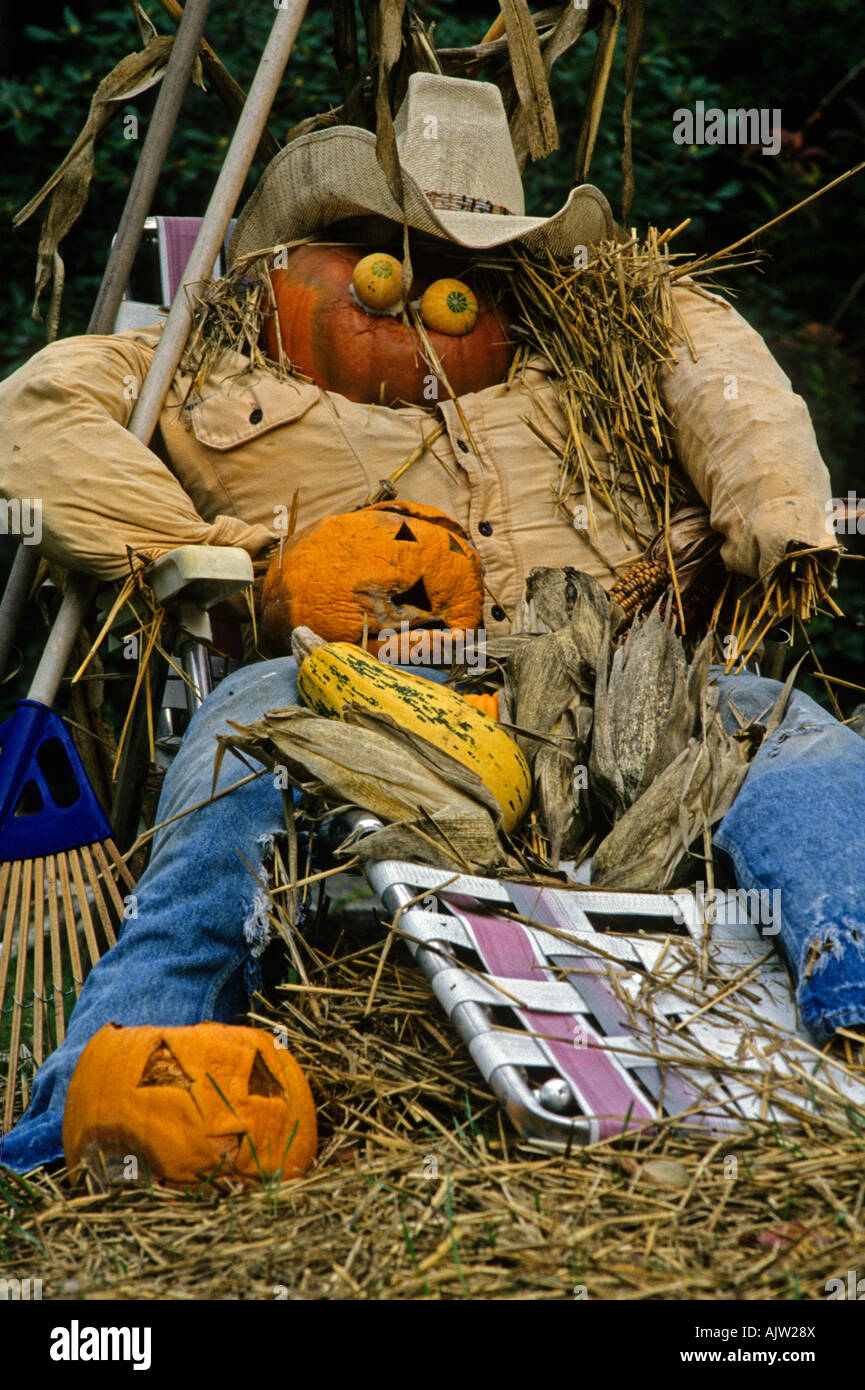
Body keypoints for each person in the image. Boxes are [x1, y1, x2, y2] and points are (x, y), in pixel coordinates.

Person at [2, 74, 863, 1174]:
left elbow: (726, 382)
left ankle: (859, 1006)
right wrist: (214, 555)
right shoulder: (210, 359)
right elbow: (42, 410)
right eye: (387, 262)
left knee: (796, 738)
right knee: (234, 745)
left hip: (611, 679)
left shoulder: (590, 353)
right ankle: (93, 1101)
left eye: (469, 274)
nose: (427, 301)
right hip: (342, 679)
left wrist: (773, 518)